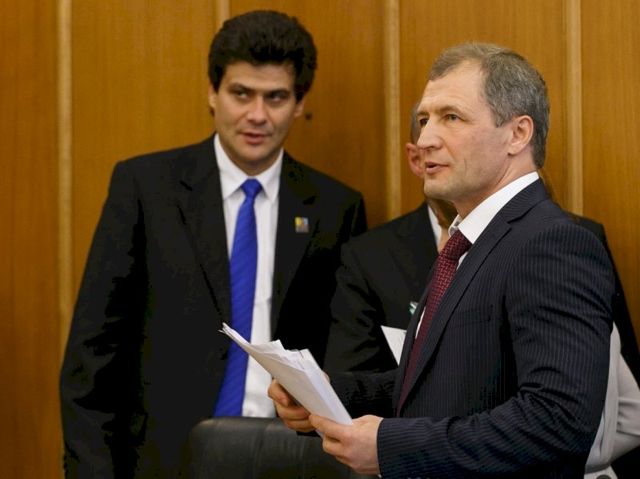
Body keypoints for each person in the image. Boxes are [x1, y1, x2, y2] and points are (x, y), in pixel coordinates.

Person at [270, 42, 615, 478]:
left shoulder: (553, 244)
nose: (426, 140)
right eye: (424, 120)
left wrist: (391, 446)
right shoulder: (470, 240)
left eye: (451, 117)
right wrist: (332, 394)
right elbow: (449, 384)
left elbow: (557, 423)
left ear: (517, 134)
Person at [60, 10, 367, 478]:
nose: (257, 115)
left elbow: (346, 356)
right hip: (164, 462)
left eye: (276, 97)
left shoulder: (336, 208)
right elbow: (93, 354)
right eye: (241, 93)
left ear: (299, 102)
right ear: (212, 92)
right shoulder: (145, 188)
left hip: (290, 460)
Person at [324, 104, 457, 373]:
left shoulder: (530, 240)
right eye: (426, 125)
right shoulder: (369, 258)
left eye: (453, 121)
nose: (436, 144)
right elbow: (351, 380)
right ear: (416, 159)